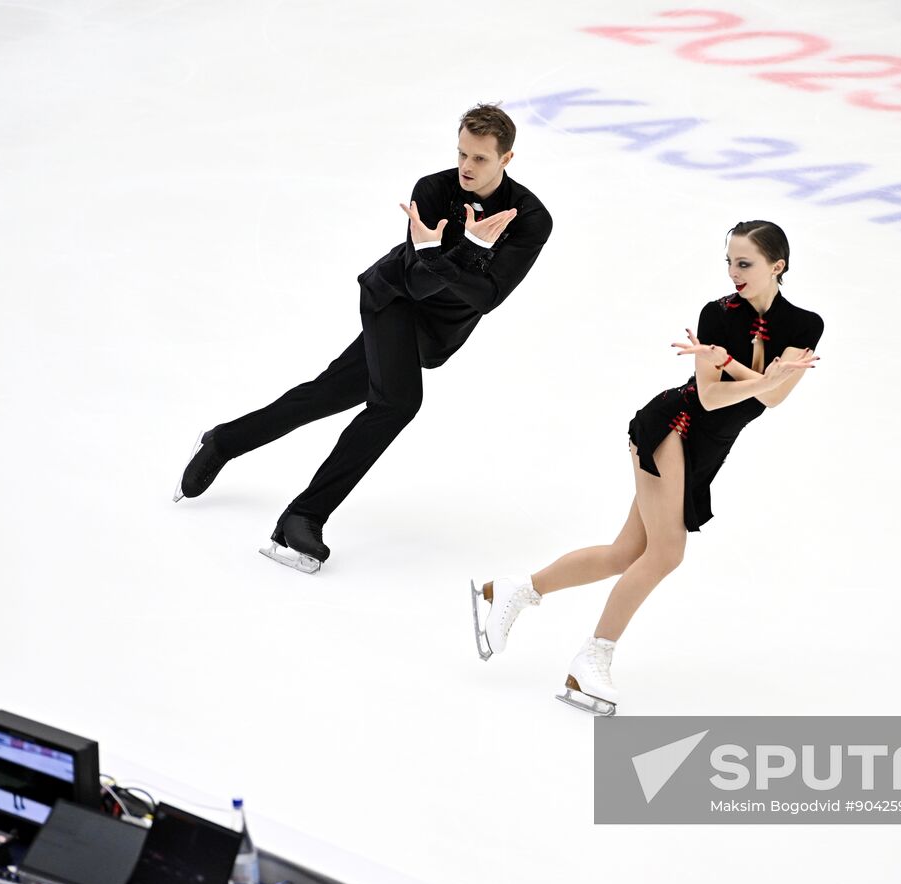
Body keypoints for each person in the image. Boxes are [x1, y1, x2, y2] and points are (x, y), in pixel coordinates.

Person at [175, 103, 553, 574]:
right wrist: (465, 253)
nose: (466, 167)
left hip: (439, 330)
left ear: (506, 158)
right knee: (397, 404)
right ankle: (303, 517)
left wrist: (451, 253)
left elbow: (489, 296)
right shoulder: (433, 191)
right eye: (461, 154)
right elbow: (416, 283)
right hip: (392, 300)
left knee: (327, 394)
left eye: (480, 158)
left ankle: (224, 440)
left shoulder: (529, 217)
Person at [470, 221, 822, 715]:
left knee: (624, 553)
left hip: (708, 449)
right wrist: (757, 375)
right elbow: (711, 396)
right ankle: (592, 659)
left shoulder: (805, 325)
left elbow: (776, 398)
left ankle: (513, 591)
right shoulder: (716, 314)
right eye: (729, 261)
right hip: (672, 427)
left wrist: (738, 368)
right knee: (666, 553)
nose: (733, 272)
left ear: (777, 265)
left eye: (744, 263)